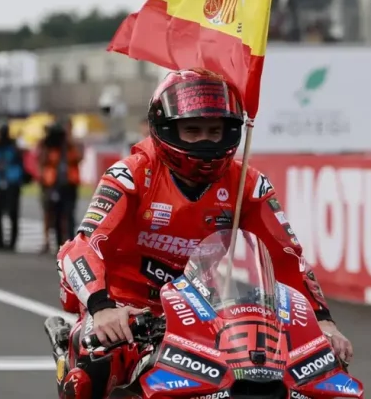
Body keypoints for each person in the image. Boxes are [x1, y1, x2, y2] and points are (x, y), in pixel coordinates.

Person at [49, 69, 353, 399]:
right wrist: (102, 306)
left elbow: (287, 258)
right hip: (127, 310)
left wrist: (323, 321)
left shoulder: (249, 184)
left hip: (207, 312)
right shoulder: (132, 174)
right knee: (94, 353)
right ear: (166, 128)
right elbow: (80, 247)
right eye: (193, 130)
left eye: (215, 130)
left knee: (317, 363)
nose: (206, 140)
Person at [38, 119, 84, 253]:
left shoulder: (73, 144)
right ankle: (57, 244)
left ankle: (70, 243)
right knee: (53, 214)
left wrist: (68, 141)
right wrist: (47, 142)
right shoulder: (48, 145)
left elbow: (79, 157)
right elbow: (41, 160)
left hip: (69, 184)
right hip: (51, 184)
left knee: (68, 214)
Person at [0, 121, 26, 252]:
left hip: (12, 183)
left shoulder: (14, 146)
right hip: (0, 182)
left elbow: (23, 154)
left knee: (13, 213)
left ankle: (12, 243)